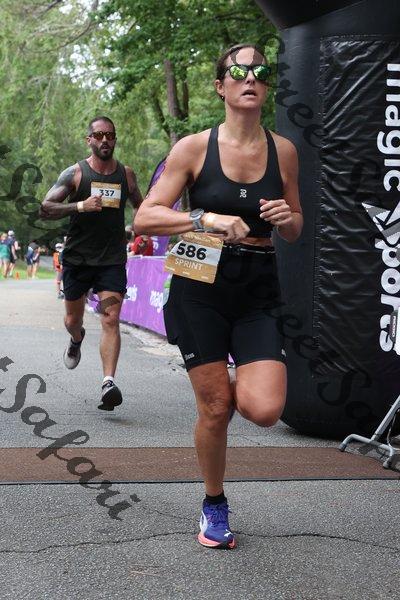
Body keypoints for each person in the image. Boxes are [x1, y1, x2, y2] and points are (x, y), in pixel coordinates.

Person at [134, 44, 303, 549]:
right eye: (238, 71)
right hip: (199, 279)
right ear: (220, 85)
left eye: (259, 72)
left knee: (264, 409)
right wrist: (204, 218)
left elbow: (296, 226)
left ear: (266, 85)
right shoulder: (193, 148)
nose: (250, 78)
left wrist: (285, 219)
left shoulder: (284, 150)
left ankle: (226, 385)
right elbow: (144, 218)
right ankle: (214, 503)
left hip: (258, 283)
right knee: (213, 409)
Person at [40, 115, 143, 410]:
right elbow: (45, 208)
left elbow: (142, 207)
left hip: (111, 261)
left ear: (115, 139)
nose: (105, 140)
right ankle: (77, 338)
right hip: (78, 260)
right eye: (98, 135)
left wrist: (139, 225)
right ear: (89, 140)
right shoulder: (75, 173)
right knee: (72, 321)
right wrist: (80, 206)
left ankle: (108, 382)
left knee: (110, 317)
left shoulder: (126, 175)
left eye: (110, 135)